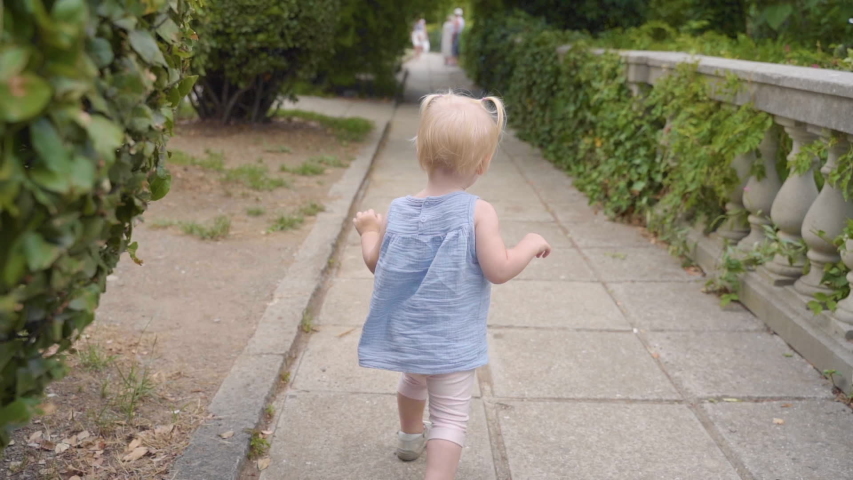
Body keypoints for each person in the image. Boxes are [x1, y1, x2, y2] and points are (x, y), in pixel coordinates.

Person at [352, 92, 552, 480]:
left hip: (410, 336)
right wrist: (529, 243)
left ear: (421, 154)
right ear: (483, 162)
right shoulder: (477, 211)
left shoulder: (400, 209)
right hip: (451, 341)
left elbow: (378, 264)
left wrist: (370, 231)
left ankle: (409, 439)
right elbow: (499, 268)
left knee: (413, 379)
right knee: (449, 418)